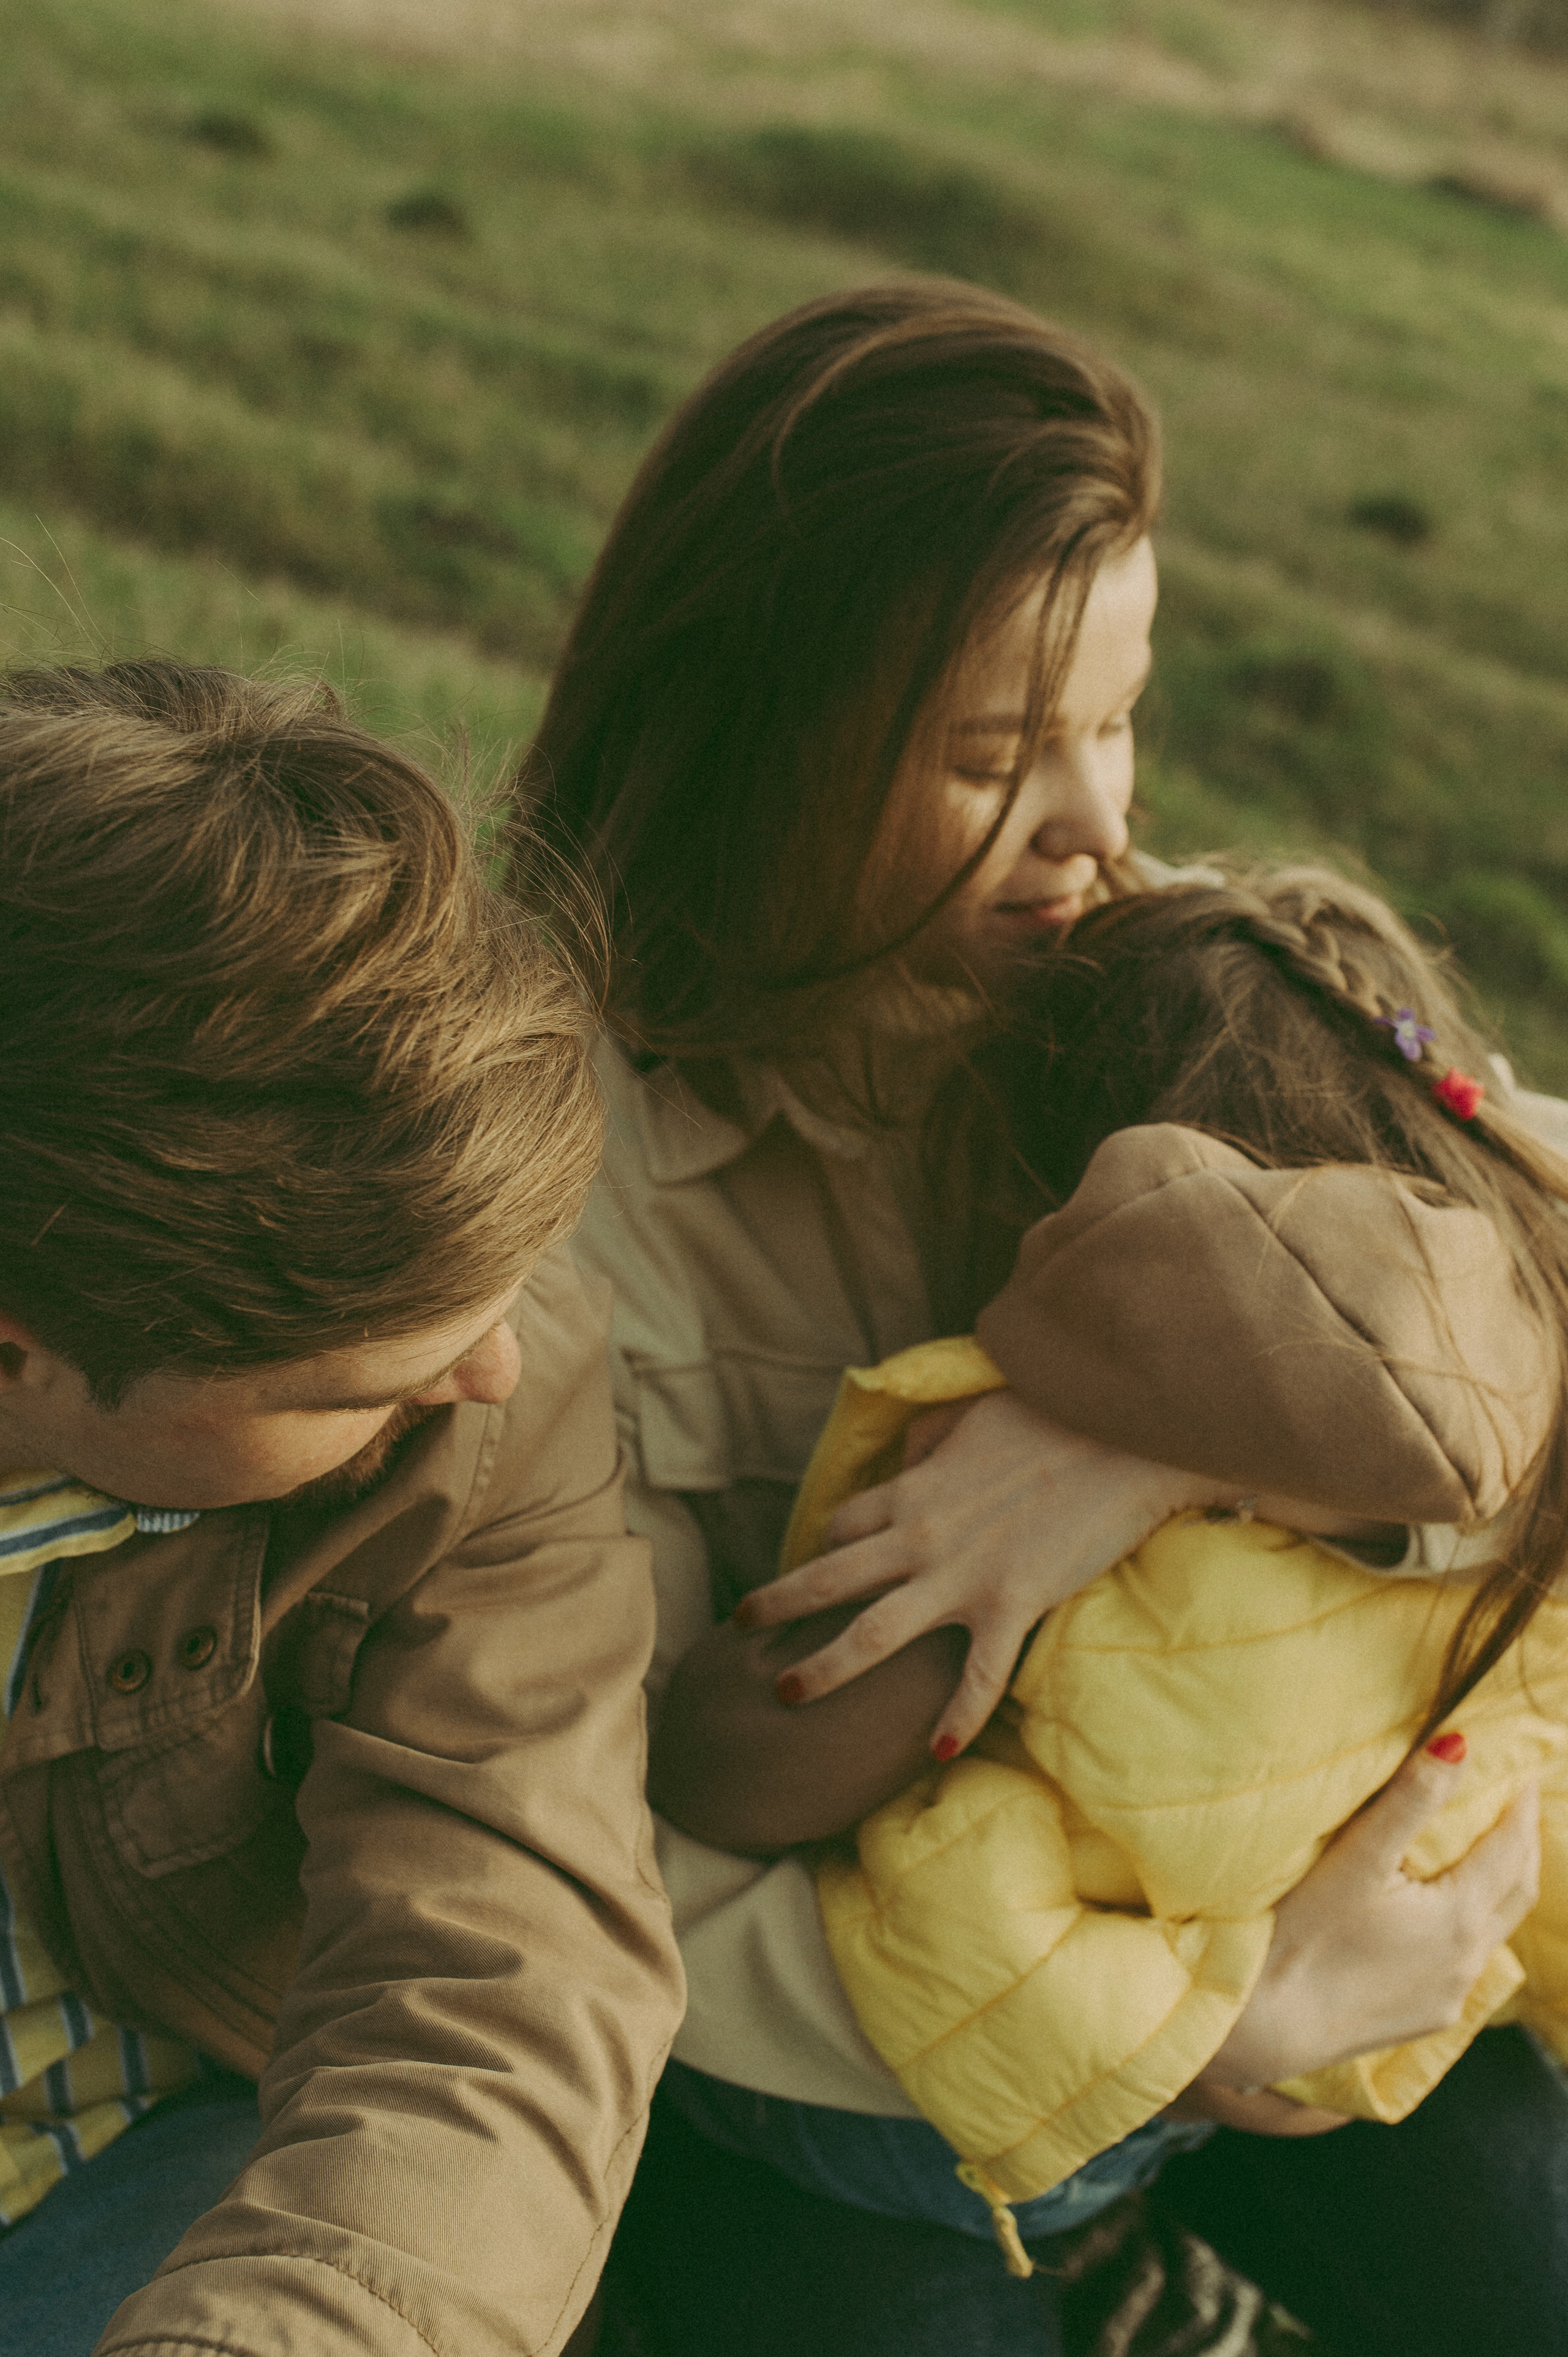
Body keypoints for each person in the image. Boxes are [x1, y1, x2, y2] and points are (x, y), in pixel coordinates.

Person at [524, 279, 1568, 2354]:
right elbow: (581, 1853)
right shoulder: (568, 1199)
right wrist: (1199, 2020)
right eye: (994, 756)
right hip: (846, 2087)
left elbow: (1519, 1251)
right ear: (757, 733)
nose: (1097, 826)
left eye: (1117, 719)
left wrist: (1163, 1429)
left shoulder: (1168, 973)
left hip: (1308, 1916)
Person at [650, 866, 1568, 2271]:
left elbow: (742, 1758)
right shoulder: (1007, 1497)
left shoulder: (1020, 1441)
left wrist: (1168, 1443)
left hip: (1008, 2107)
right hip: (936, 2107)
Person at [0, 660, 683, 2357]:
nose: (494, 1376)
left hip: (150, 2177)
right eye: (345, 1386)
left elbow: (498, 2002)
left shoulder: (474, 1388)